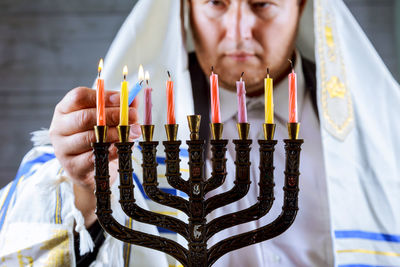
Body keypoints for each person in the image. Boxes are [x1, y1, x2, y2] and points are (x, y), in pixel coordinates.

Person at [1, 0, 400, 266]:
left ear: (304, 7)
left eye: (263, 3)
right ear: (184, 8)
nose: (239, 30)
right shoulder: (137, 121)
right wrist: (84, 190)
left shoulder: (374, 130)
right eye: (216, 2)